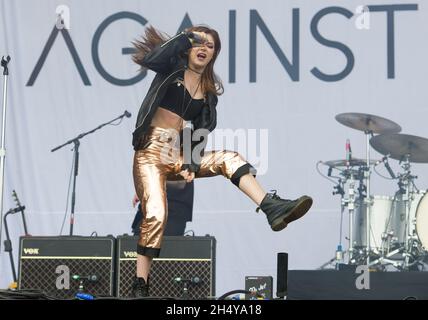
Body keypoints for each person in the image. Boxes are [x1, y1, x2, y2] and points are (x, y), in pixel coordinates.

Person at [131, 25, 313, 297]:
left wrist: (191, 164)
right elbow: (151, 59)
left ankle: (271, 207)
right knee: (157, 214)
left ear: (215, 54)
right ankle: (140, 284)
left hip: (176, 154)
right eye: (199, 43)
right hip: (149, 152)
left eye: (211, 45)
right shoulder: (170, 68)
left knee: (229, 159)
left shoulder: (208, 90)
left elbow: (200, 129)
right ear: (188, 46)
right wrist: (184, 37)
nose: (204, 48)